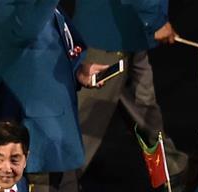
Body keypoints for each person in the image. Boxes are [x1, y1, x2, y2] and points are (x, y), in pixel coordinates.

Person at [0, 0, 108, 192]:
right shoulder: (4, 5)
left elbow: (64, 47)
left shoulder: (48, 7)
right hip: (35, 142)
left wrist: (79, 71)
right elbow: (26, 29)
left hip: (61, 141)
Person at [73, 0, 187, 179]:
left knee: (144, 105)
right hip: (108, 34)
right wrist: (154, 20)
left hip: (132, 30)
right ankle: (58, 189)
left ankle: (171, 169)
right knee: (86, 121)